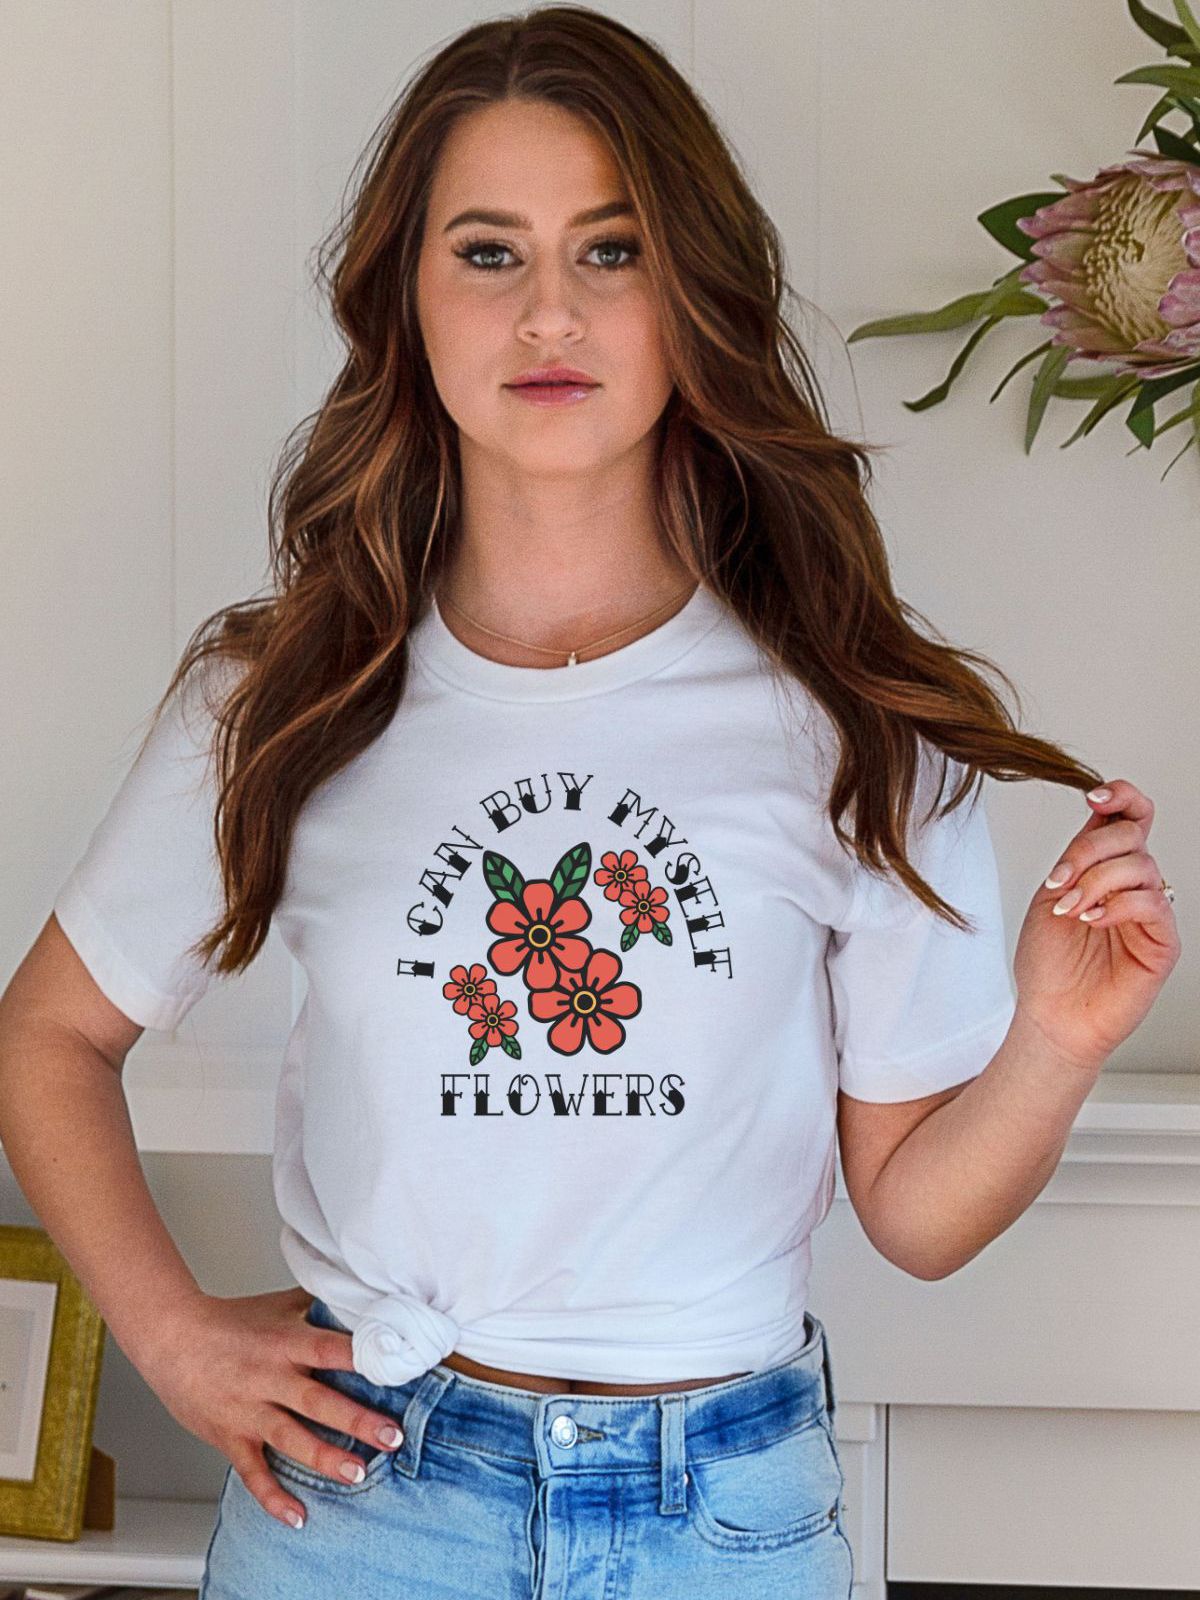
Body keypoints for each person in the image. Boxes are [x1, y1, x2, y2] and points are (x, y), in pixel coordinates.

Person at [0, 8, 1178, 1598]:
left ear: (691, 293)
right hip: (363, 1505)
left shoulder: (857, 715)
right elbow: (49, 1035)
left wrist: (1054, 1043)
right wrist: (172, 1335)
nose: (550, 309)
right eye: (488, 254)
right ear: (405, 302)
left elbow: (915, 1214)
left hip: (731, 1520)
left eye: (610, 251)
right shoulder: (277, 697)